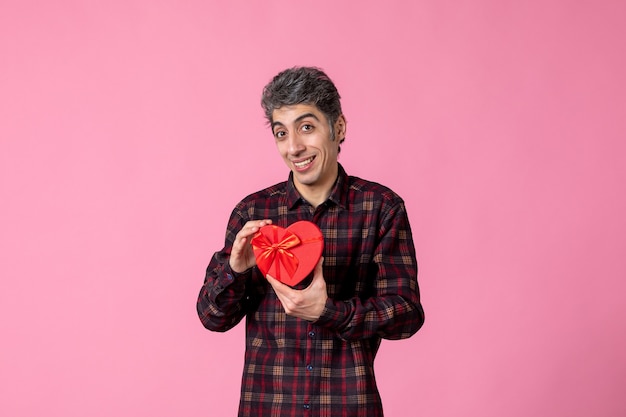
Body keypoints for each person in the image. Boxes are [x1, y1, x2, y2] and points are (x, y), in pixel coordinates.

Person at [197, 66, 424, 417]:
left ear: (339, 128)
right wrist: (235, 269)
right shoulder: (252, 212)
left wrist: (328, 312)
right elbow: (212, 317)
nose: (294, 147)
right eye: (281, 133)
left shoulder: (381, 208)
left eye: (306, 127)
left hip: (348, 408)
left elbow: (407, 315)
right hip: (267, 408)